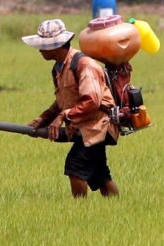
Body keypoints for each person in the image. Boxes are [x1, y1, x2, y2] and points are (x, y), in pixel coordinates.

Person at [22, 19, 120, 198]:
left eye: (44, 45)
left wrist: (63, 117)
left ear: (58, 45)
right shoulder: (58, 68)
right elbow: (62, 101)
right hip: (85, 127)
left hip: (98, 125)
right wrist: (43, 118)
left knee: (75, 167)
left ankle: (78, 213)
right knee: (100, 175)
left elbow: (92, 101)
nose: (40, 50)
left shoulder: (84, 65)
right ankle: (118, 208)